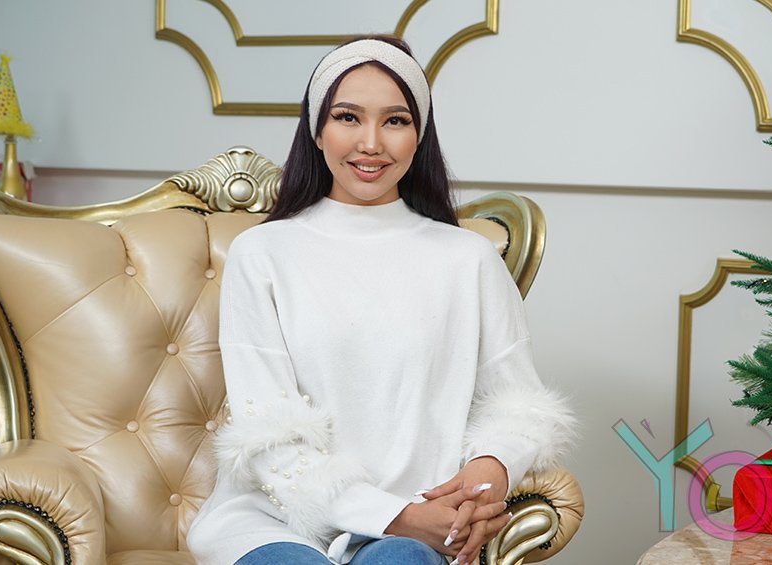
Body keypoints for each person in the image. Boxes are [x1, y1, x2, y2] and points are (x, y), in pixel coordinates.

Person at [186, 36, 576, 565]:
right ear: (317, 131)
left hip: (416, 526)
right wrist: (393, 515)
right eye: (347, 117)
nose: (371, 143)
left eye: (395, 120)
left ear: (419, 136)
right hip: (275, 521)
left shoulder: (469, 260)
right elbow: (269, 436)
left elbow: (519, 408)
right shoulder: (262, 253)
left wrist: (489, 470)